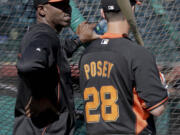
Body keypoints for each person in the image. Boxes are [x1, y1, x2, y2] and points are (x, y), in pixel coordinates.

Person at [79, 0, 168, 134]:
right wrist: (162, 84)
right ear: (130, 11)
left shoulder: (86, 54)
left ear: (102, 13)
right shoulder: (138, 54)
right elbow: (157, 109)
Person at [13, 0, 99, 134]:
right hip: (44, 129)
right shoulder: (44, 35)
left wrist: (78, 40)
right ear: (42, 10)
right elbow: (28, 64)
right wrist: (39, 97)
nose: (67, 9)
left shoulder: (44, 35)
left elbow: (56, 53)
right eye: (60, 6)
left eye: (67, 4)